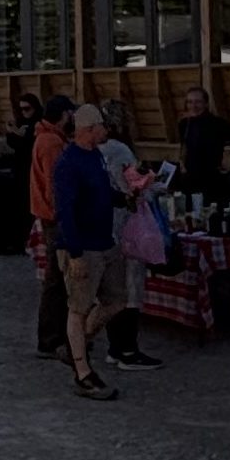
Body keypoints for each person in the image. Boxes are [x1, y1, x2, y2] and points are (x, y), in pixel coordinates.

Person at [52, 104, 126, 397]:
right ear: (88, 129)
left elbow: (103, 192)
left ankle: (76, 345)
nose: (106, 131)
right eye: (102, 127)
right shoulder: (68, 163)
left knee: (117, 300)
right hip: (82, 245)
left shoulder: (95, 156)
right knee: (78, 307)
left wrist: (123, 198)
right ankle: (82, 372)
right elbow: (65, 210)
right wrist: (75, 253)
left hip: (104, 240)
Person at [98, 102, 161, 371]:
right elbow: (132, 188)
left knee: (112, 290)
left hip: (103, 226)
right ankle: (128, 350)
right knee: (131, 289)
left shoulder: (95, 150)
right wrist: (153, 187)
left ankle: (115, 347)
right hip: (125, 225)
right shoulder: (120, 151)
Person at [28, 96, 73, 359]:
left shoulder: (45, 138)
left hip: (48, 215)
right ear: (64, 115)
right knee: (57, 280)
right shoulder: (52, 142)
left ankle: (56, 337)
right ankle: (51, 339)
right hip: (55, 218)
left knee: (57, 279)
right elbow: (57, 183)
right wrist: (64, 214)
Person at [175, 88, 230, 206]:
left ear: (206, 103)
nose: (193, 106)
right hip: (191, 181)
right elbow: (185, 147)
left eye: (198, 102)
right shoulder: (184, 124)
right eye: (190, 102)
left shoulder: (217, 124)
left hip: (212, 182)